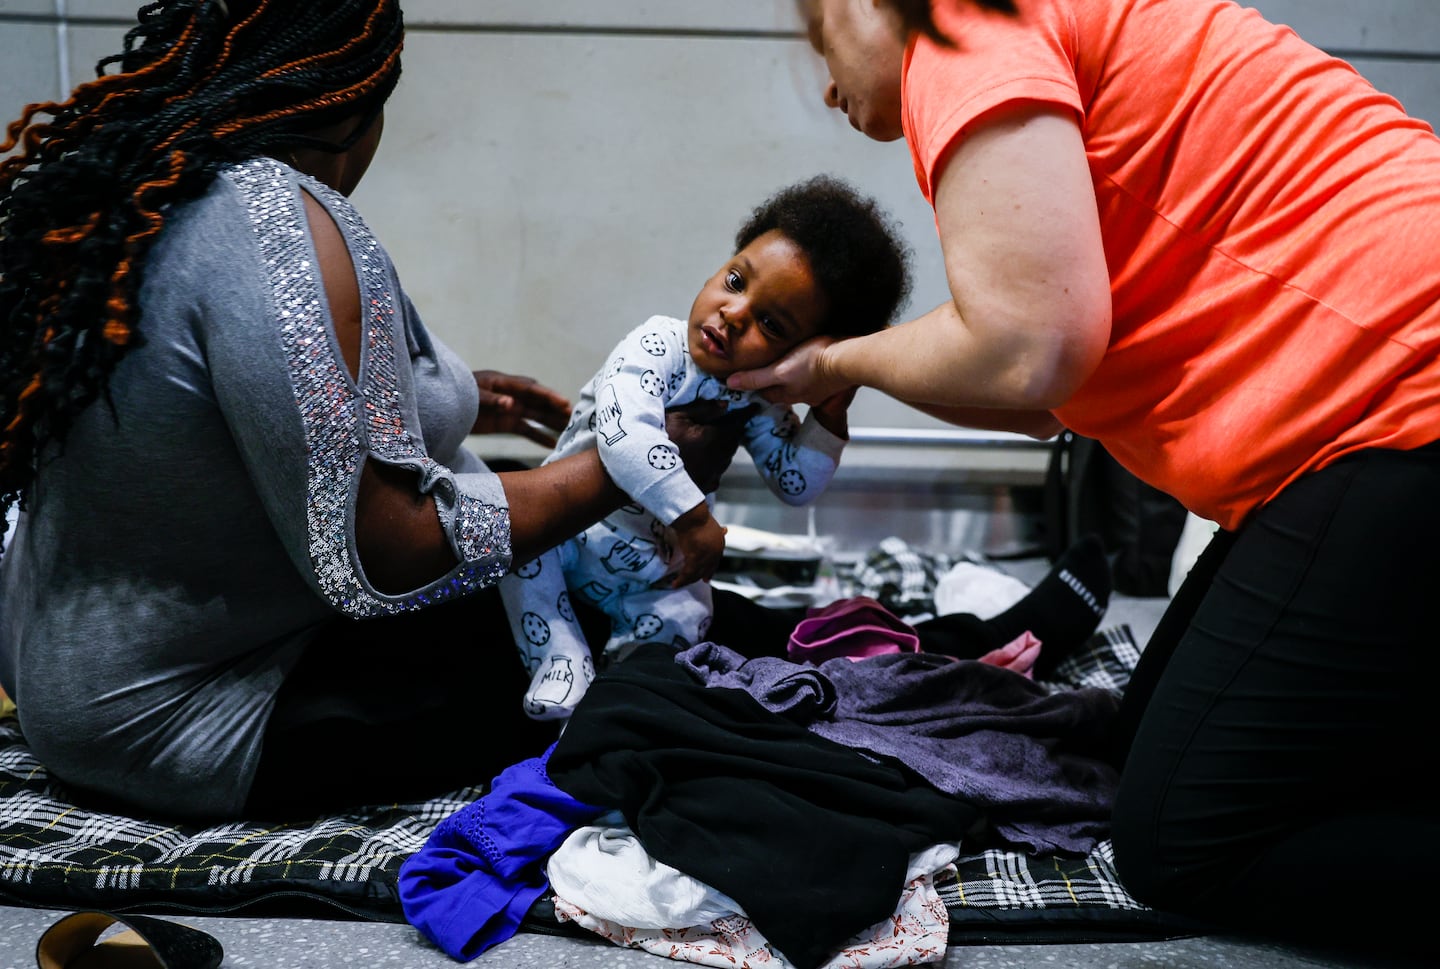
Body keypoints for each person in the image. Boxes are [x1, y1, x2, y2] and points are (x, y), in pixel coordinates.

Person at [728, 0, 1440, 956]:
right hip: (1363, 419)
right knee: (1138, 744)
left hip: (1398, 406)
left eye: (821, 38)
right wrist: (840, 368)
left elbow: (1028, 353)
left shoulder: (959, 24)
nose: (826, 81)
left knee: (1183, 843)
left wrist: (839, 366)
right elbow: (1047, 393)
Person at [0, 0, 743, 823]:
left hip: (73, 678)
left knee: (572, 574)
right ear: (364, 100)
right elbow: (383, 553)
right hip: (186, 720)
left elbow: (223, 413)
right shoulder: (282, 224)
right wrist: (630, 466)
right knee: (636, 639)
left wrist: (466, 399)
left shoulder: (147, 185)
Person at [499, 175, 912, 721]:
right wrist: (694, 520)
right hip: (568, 534)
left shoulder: (760, 395)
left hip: (650, 569)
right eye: (736, 280)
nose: (734, 313)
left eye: (770, 322)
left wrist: (831, 407)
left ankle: (632, 687)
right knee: (515, 547)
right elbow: (625, 439)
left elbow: (795, 484)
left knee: (689, 616)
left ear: (805, 351)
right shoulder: (658, 345)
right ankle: (561, 657)